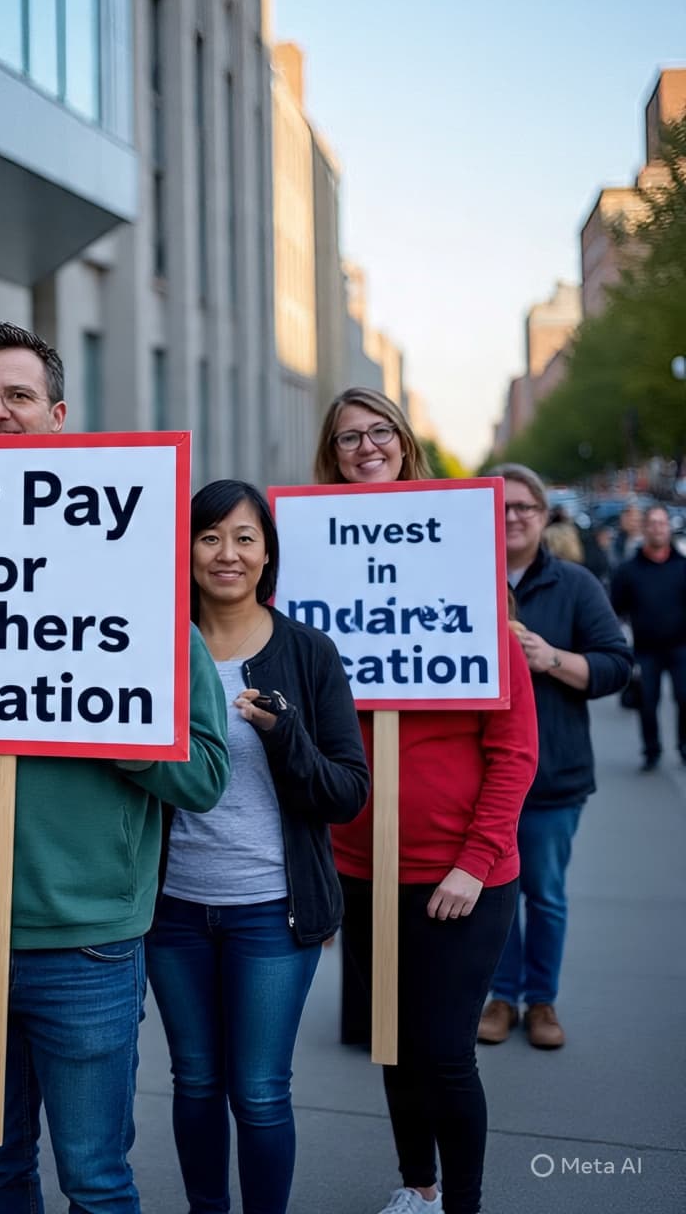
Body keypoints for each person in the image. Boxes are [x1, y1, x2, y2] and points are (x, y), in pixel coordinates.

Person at [0, 322, 231, 1214]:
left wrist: (103, 712)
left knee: (96, 1181)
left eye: (19, 397)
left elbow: (203, 778)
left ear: (61, 417)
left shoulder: (144, 601)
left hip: (84, 942)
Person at [314, 390, 540, 1214]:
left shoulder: (475, 588)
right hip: (361, 866)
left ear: (407, 446)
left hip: (462, 877)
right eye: (348, 441)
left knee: (445, 1052)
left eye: (380, 433)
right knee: (394, 1048)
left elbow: (515, 751)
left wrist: (475, 864)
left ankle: (464, 1204)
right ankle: (418, 1188)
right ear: (331, 459)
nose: (366, 448)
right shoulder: (313, 590)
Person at [146, 479, 369, 1214]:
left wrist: (286, 736)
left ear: (268, 553)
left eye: (244, 538)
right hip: (171, 909)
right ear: (186, 549)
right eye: (210, 537)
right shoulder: (148, 641)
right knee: (196, 1080)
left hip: (272, 912)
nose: (227, 554)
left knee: (262, 1090)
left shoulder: (308, 652)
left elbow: (345, 791)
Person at [477, 464, 632, 1051]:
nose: (512, 516)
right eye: (500, 506)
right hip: (481, 775)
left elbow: (615, 666)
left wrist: (551, 659)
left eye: (525, 506)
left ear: (544, 515)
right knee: (493, 893)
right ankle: (502, 995)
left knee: (543, 891)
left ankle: (541, 1000)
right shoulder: (461, 577)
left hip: (552, 774)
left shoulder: (575, 584)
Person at [611, 504, 686, 770]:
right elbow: (615, 610)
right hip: (645, 649)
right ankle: (651, 750)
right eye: (652, 523)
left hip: (680, 646)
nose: (657, 528)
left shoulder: (682, 566)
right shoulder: (629, 570)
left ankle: (684, 746)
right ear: (644, 528)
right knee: (647, 701)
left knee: (684, 696)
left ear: (669, 528)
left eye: (662, 523)